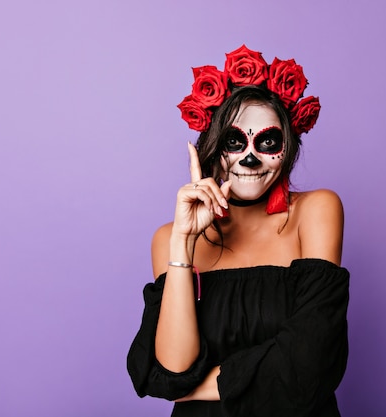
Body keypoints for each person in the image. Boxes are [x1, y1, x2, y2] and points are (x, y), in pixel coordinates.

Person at [127, 45, 350, 417]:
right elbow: (173, 370)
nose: (250, 158)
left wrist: (202, 388)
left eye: (267, 142)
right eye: (235, 142)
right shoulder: (170, 237)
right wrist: (183, 244)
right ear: (212, 147)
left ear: (287, 147)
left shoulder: (316, 211)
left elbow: (310, 365)